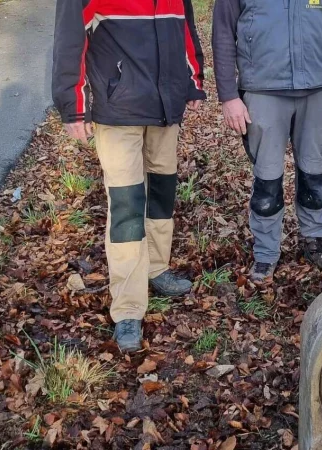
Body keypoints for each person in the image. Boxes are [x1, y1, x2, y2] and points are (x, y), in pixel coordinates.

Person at [52, 0, 206, 352]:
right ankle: (128, 308)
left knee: (163, 192)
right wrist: (73, 105)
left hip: (167, 105)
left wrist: (193, 80)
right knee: (127, 205)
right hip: (117, 108)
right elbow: (69, 39)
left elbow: (185, 28)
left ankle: (156, 267)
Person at [212, 0, 322, 282]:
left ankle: (318, 243)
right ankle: (266, 253)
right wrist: (228, 96)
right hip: (262, 90)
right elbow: (222, 35)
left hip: (317, 89)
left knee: (314, 174)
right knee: (267, 180)